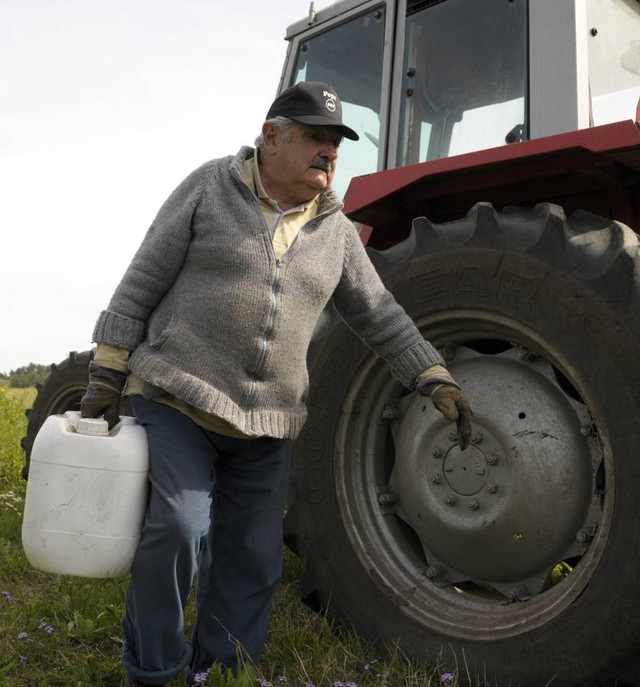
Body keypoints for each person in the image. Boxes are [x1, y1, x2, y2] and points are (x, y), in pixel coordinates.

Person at [80, 81, 473, 687]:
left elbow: (379, 312)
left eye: (337, 142)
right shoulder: (210, 187)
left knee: (253, 561)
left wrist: (431, 374)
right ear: (272, 136)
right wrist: (107, 372)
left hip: (268, 425)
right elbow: (142, 280)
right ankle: (153, 672)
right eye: (317, 137)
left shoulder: (336, 232)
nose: (330, 153)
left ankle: (225, 673)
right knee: (178, 532)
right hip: (178, 400)